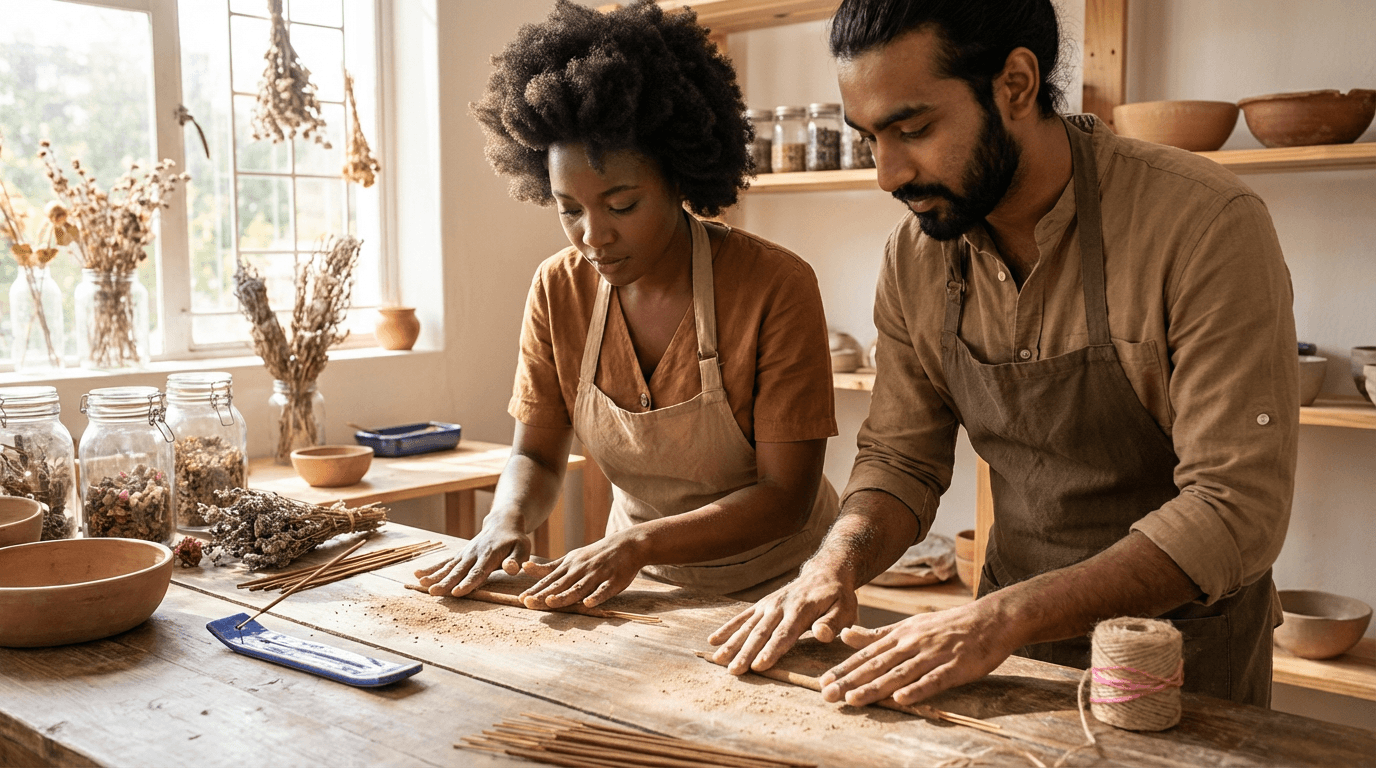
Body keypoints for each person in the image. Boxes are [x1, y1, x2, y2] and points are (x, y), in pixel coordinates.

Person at [709, 0, 1296, 709]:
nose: (887, 174)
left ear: (1015, 83)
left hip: (1173, 659)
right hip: (1009, 655)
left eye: (914, 128)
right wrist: (833, 565)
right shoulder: (916, 256)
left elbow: (1233, 506)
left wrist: (998, 617)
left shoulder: (1201, 224)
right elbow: (902, 458)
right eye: (869, 138)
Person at [416, 0, 839, 608]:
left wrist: (639, 544)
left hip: (785, 590)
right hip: (637, 585)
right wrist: (504, 520)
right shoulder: (558, 289)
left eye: (621, 205)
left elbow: (784, 496)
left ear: (678, 179)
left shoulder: (774, 285)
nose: (593, 235)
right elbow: (535, 454)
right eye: (569, 209)